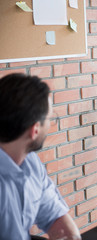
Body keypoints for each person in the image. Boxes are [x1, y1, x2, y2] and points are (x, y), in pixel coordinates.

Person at [0, 73, 81, 240]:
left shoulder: (30, 162)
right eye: (50, 118)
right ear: (35, 130)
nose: (51, 124)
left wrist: (71, 235)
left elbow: (53, 214)